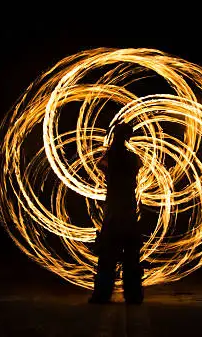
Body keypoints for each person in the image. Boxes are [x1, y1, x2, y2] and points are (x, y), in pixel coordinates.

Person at [89, 123, 143, 304]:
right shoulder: (133, 158)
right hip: (126, 211)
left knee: (108, 256)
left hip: (114, 211)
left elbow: (101, 165)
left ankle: (102, 294)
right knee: (130, 257)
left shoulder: (109, 158)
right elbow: (137, 167)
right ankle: (133, 295)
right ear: (128, 137)